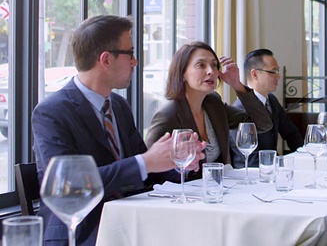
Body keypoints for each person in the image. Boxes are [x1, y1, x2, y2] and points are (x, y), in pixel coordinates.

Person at [32, 15, 206, 246]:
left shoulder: (119, 105)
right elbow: (69, 186)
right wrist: (145, 161)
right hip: (82, 232)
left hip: (130, 224)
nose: (135, 62)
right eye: (130, 53)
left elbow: (146, 172)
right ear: (106, 59)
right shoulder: (51, 113)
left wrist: (177, 164)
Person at [145, 41, 272, 167]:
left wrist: (237, 85)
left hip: (221, 184)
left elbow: (262, 124)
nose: (211, 71)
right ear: (182, 73)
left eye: (215, 65)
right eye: (201, 65)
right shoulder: (167, 116)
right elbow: (149, 167)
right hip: (183, 187)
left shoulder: (213, 104)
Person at [229, 49, 304, 167]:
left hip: (273, 170)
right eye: (273, 72)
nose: (278, 76)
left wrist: (304, 156)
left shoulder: (271, 101)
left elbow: (292, 134)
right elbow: (250, 159)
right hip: (248, 175)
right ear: (255, 74)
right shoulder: (239, 109)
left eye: (278, 71)